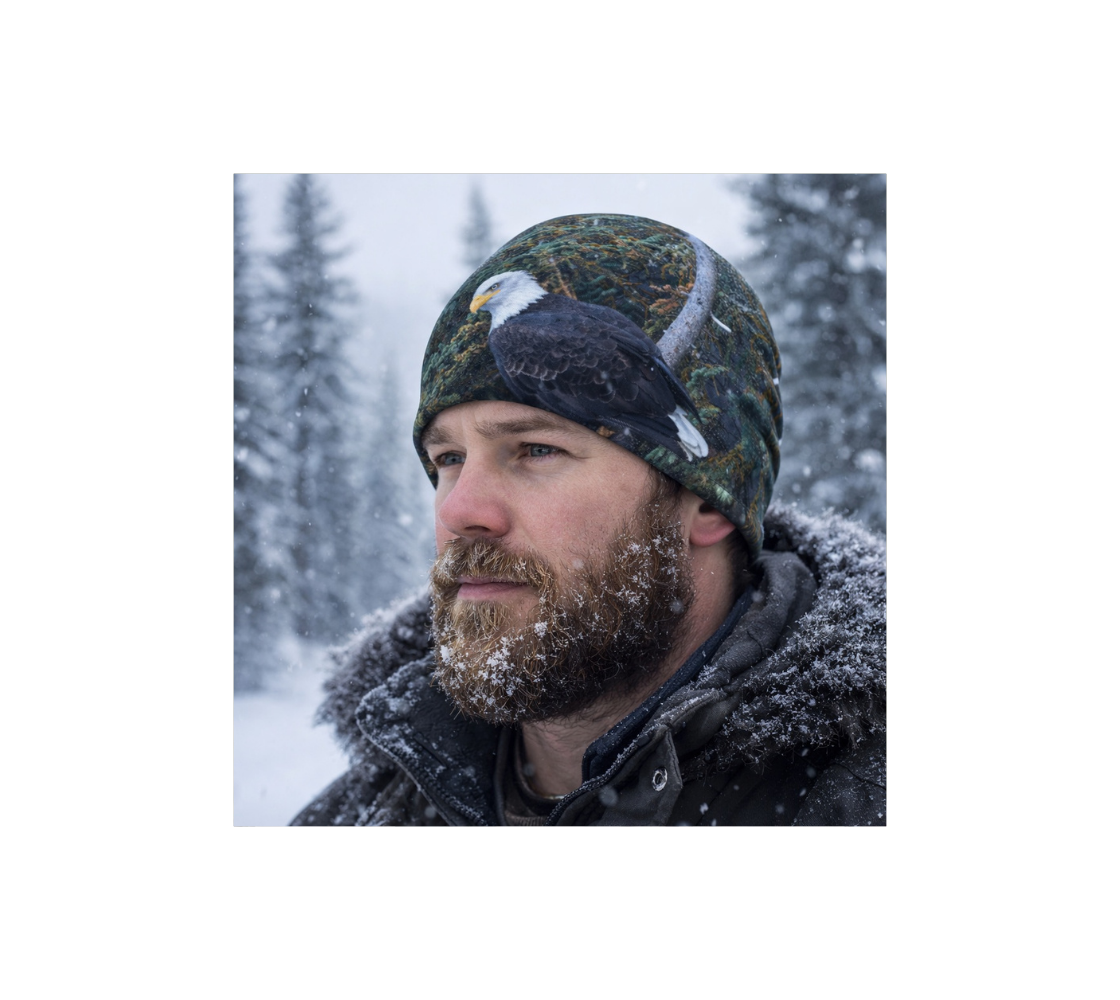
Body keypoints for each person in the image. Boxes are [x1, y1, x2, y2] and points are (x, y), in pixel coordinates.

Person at [290, 214, 886, 827]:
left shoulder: (857, 799)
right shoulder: (370, 808)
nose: (459, 511)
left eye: (536, 450)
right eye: (448, 459)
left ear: (706, 502)